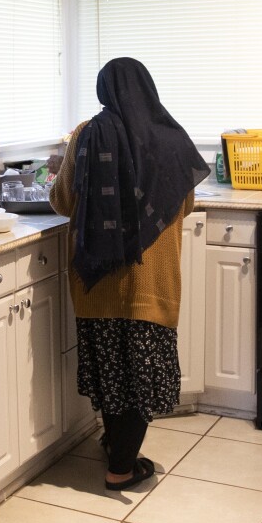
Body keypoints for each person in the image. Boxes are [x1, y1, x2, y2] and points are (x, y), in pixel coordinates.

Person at [49, 58, 211, 490]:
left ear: (104, 90)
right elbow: (186, 205)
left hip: (97, 285)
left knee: (110, 369)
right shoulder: (171, 139)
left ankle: (116, 447)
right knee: (141, 374)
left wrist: (58, 175)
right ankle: (121, 466)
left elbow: (64, 202)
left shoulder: (86, 135)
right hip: (149, 286)